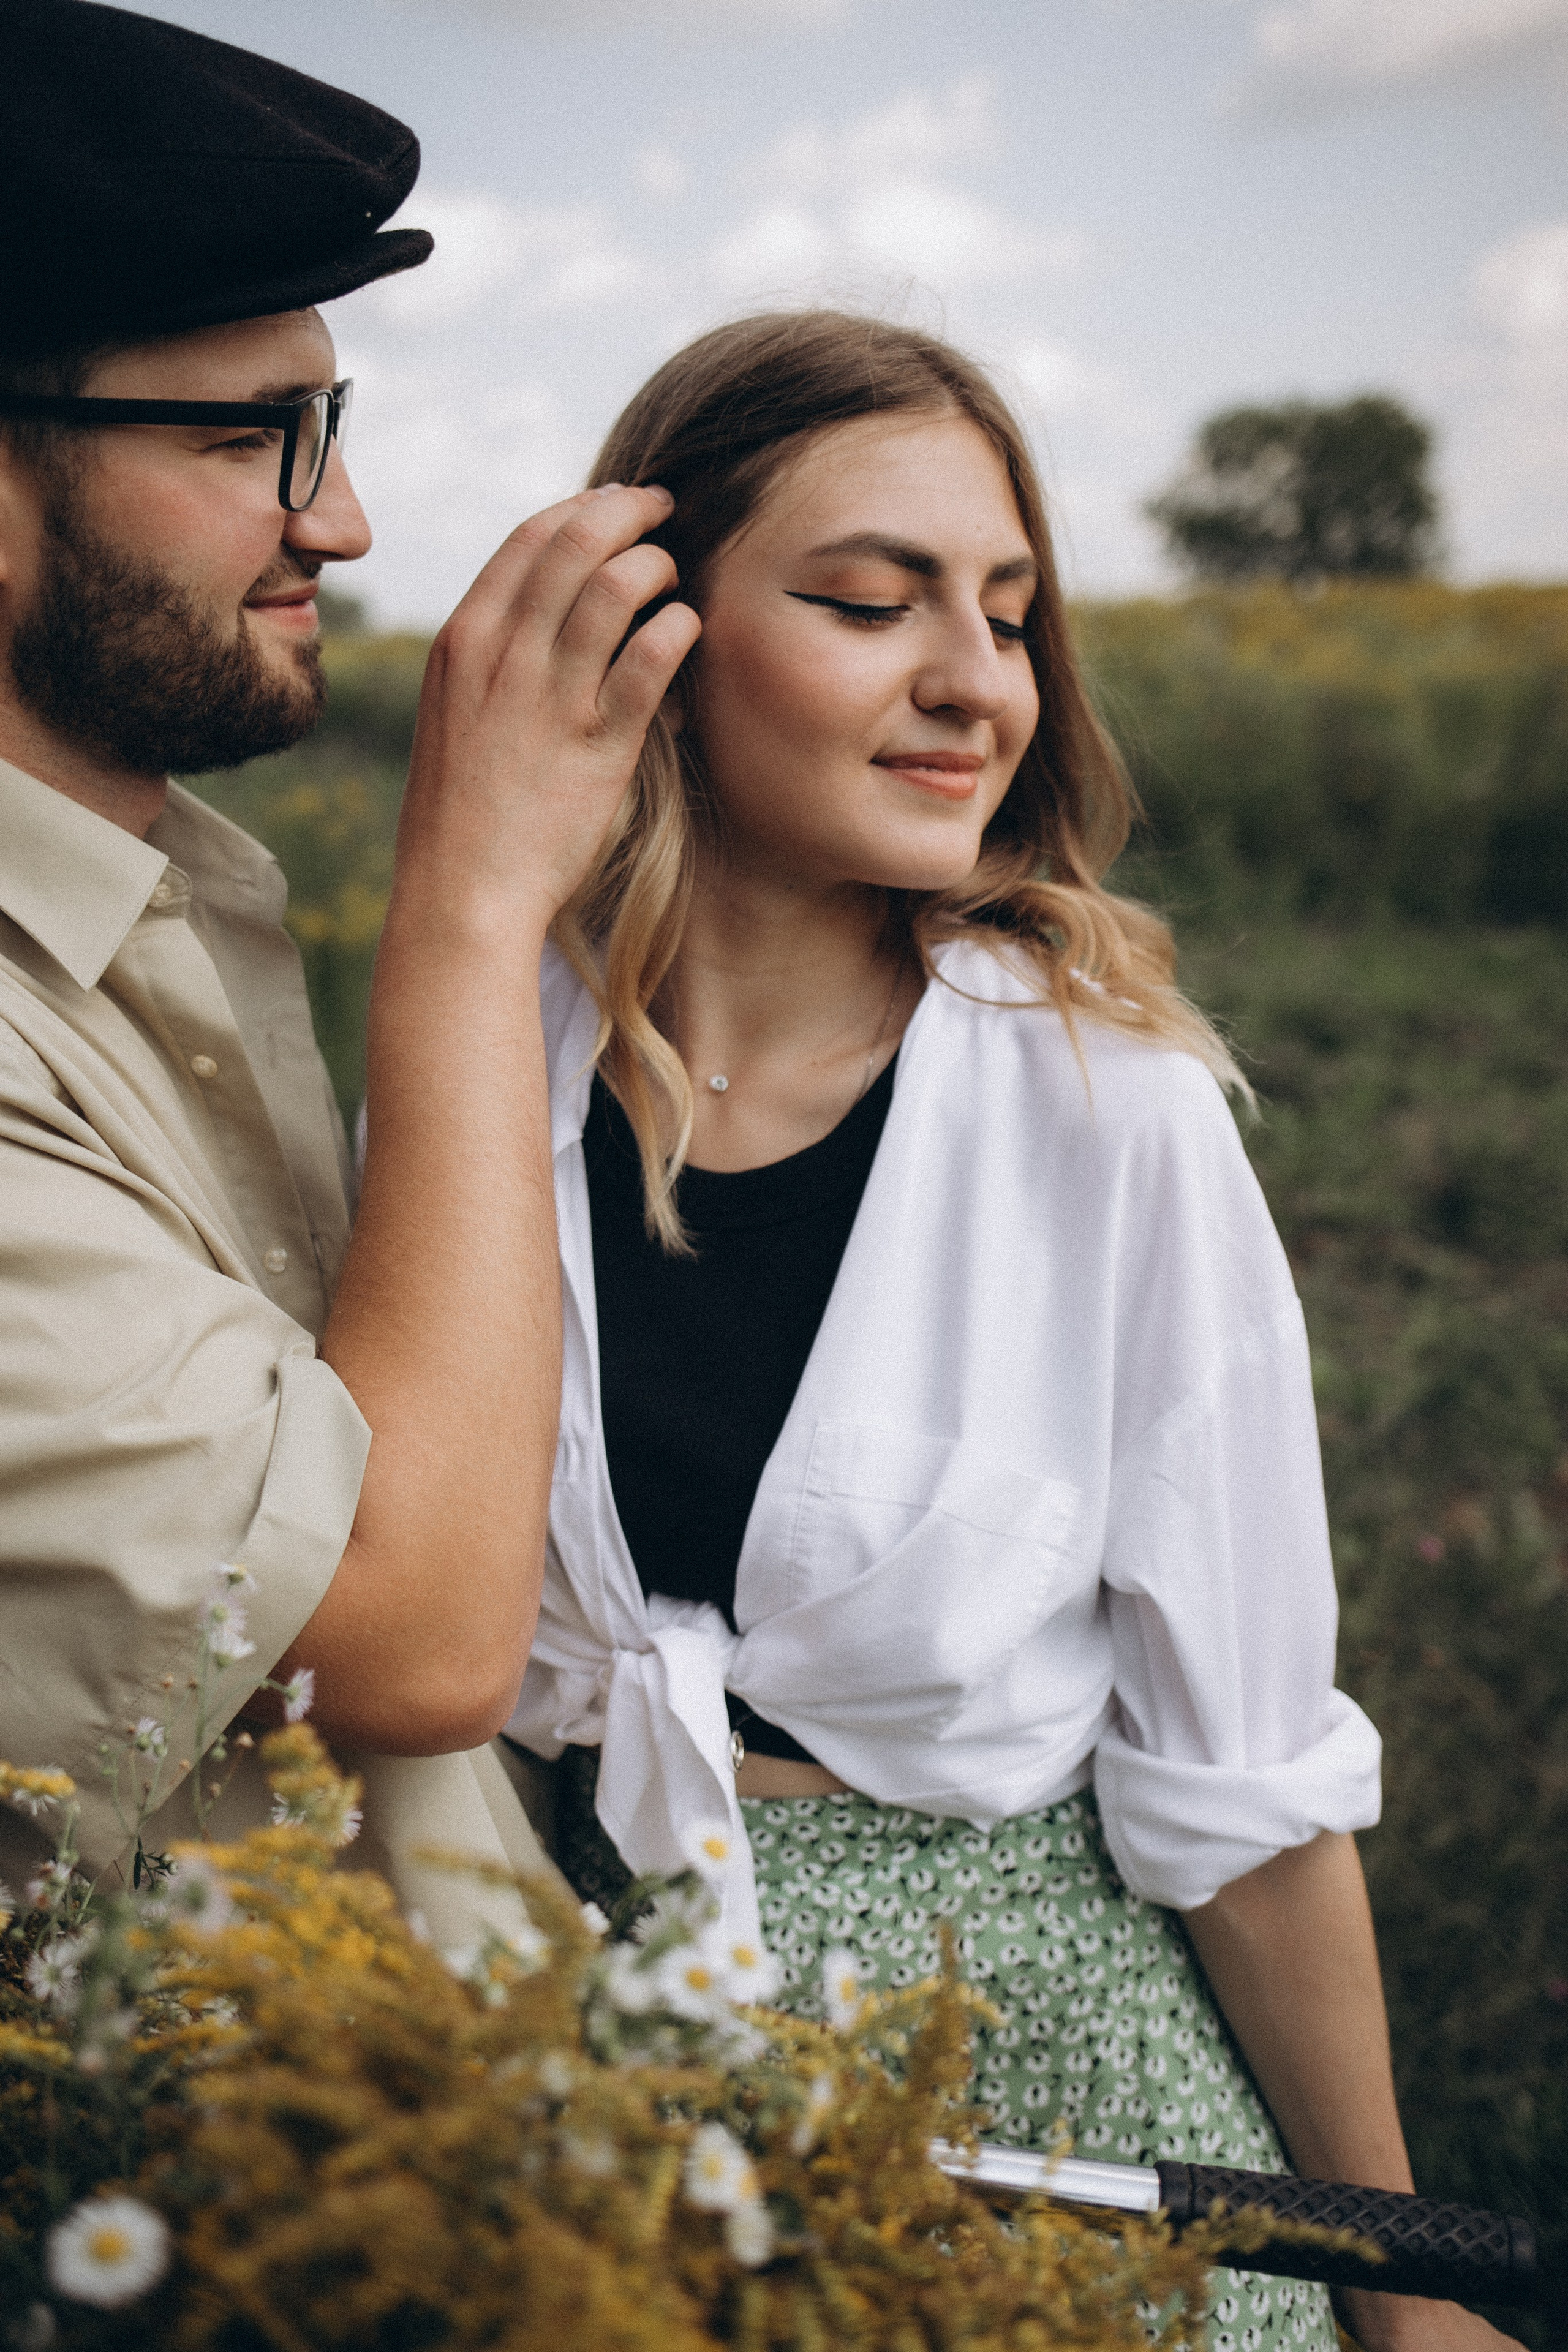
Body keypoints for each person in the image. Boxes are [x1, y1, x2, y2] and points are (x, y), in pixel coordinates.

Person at [504, 310, 1523, 2352]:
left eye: (1009, 610)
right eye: (872, 602)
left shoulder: (1109, 1113)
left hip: (1049, 2101)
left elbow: (1245, 1789)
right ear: (656, 638)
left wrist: (1400, 2286)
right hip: (566, 2083)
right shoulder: (475, 1068)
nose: (979, 681)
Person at [0, 0, 696, 1948]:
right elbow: (411, 1634)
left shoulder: (161, 907)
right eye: (244, 437)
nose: (342, 521)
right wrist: (472, 912)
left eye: (328, 428)